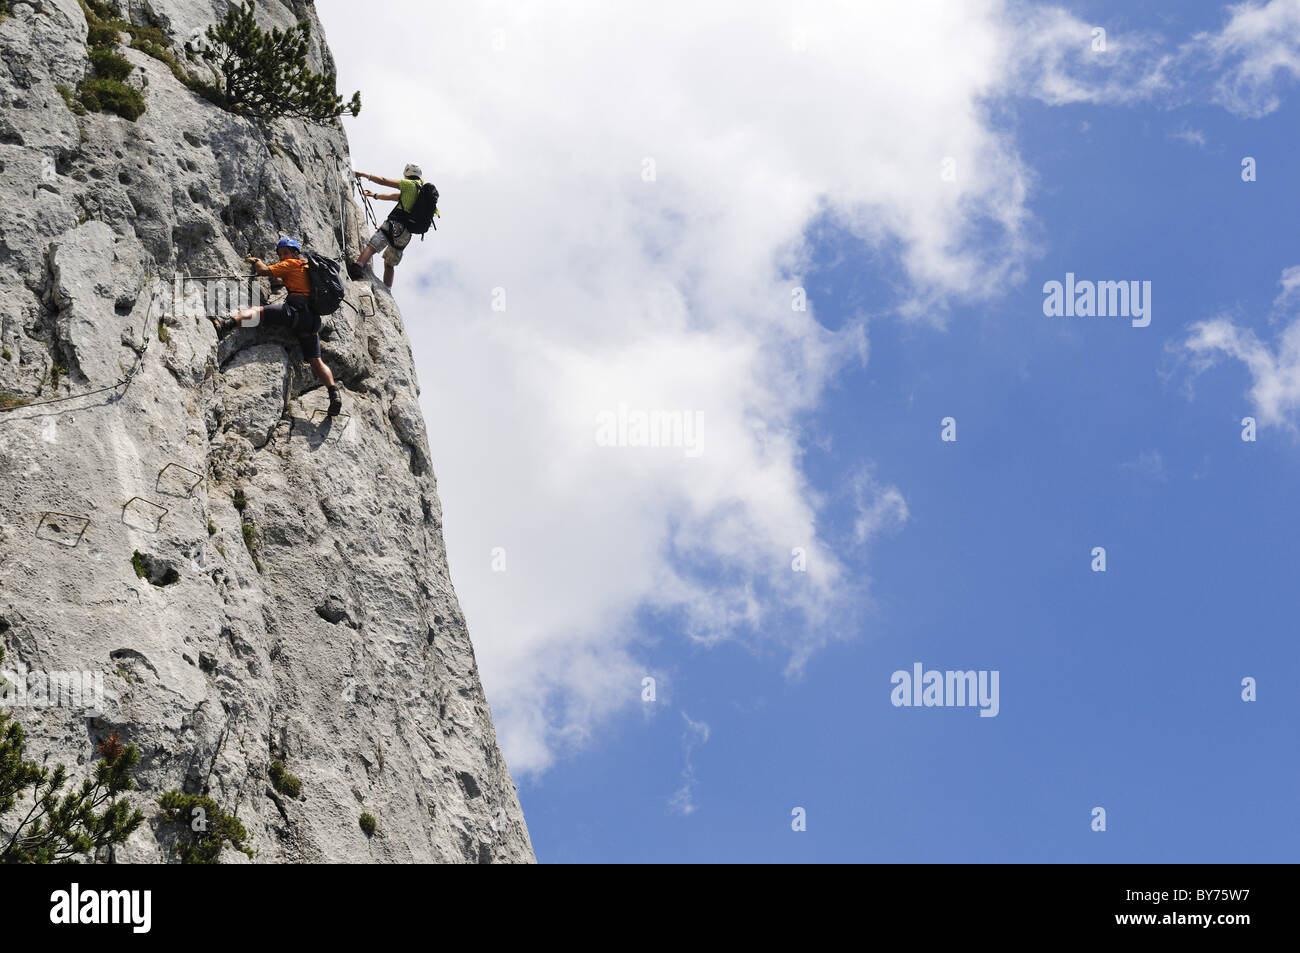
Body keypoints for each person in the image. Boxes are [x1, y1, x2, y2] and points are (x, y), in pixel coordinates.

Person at [210, 237, 343, 416]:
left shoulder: (291, 264)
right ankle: (334, 393)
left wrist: (256, 261)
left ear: (295, 253)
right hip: (311, 321)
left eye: (285, 253)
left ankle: (226, 324)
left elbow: (264, 271)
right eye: (280, 254)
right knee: (316, 361)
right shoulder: (308, 268)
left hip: (294, 312)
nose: (282, 257)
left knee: (259, 312)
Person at [349, 163, 430, 288]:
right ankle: (387, 289)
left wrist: (363, 175)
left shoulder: (408, 184)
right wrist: (375, 195)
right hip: (406, 234)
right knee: (389, 264)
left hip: (394, 225)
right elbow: (395, 197)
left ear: (407, 174)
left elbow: (383, 181)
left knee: (372, 246)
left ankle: (358, 267)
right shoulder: (421, 192)